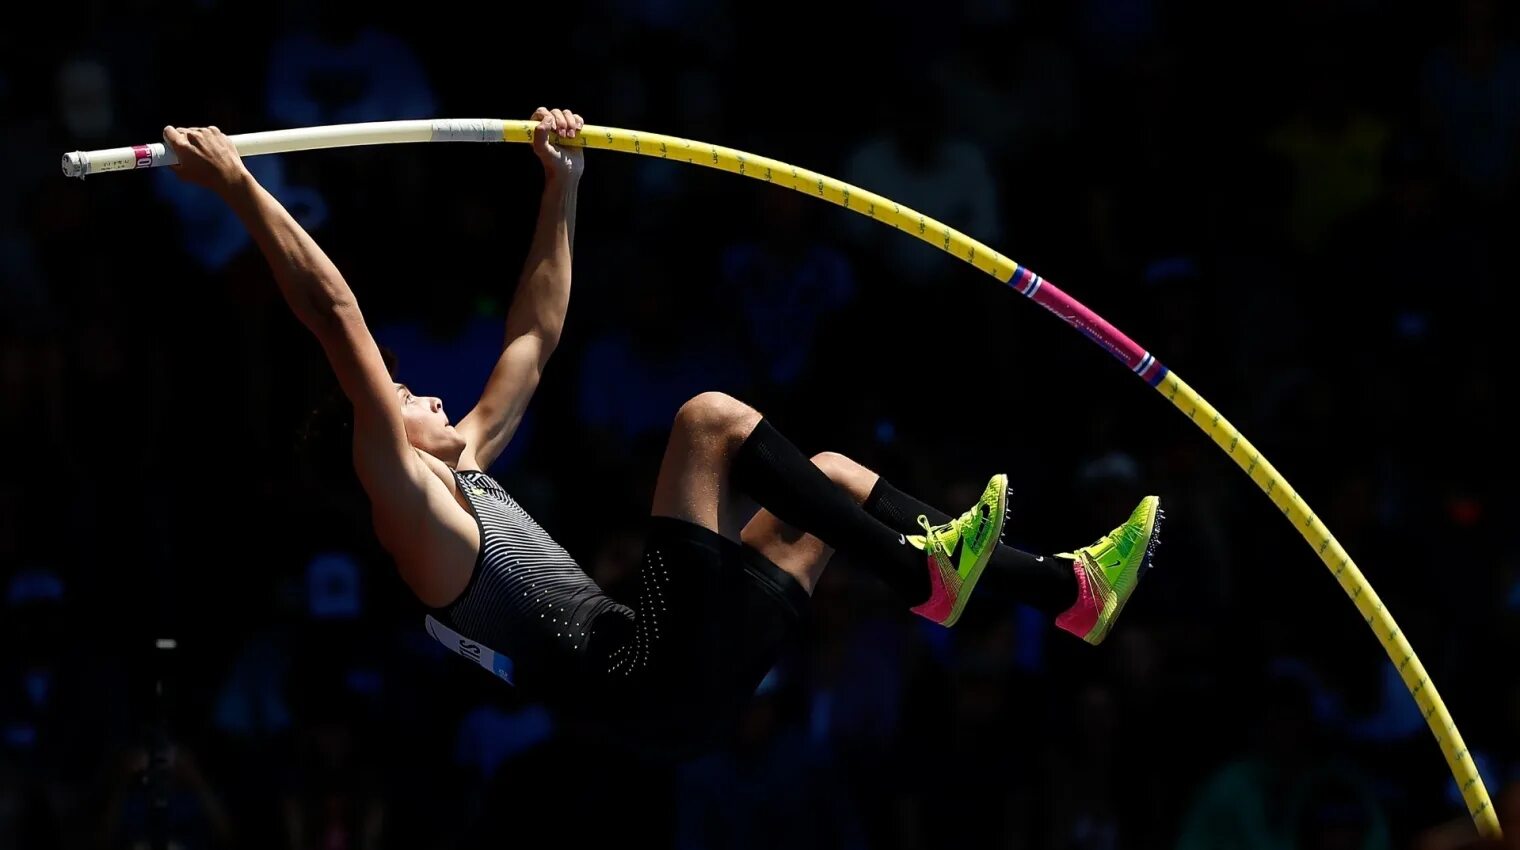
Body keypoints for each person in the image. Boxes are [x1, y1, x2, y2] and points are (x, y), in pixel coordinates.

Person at [159, 107, 1163, 761]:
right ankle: (930, 575)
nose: (432, 399)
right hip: (634, 671)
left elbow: (534, 337)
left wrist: (563, 187)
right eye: (411, 396)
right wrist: (243, 184)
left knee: (835, 482)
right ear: (377, 431)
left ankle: (1064, 593)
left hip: (681, 686)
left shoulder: (455, 467)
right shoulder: (403, 497)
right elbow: (332, 314)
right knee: (707, 422)